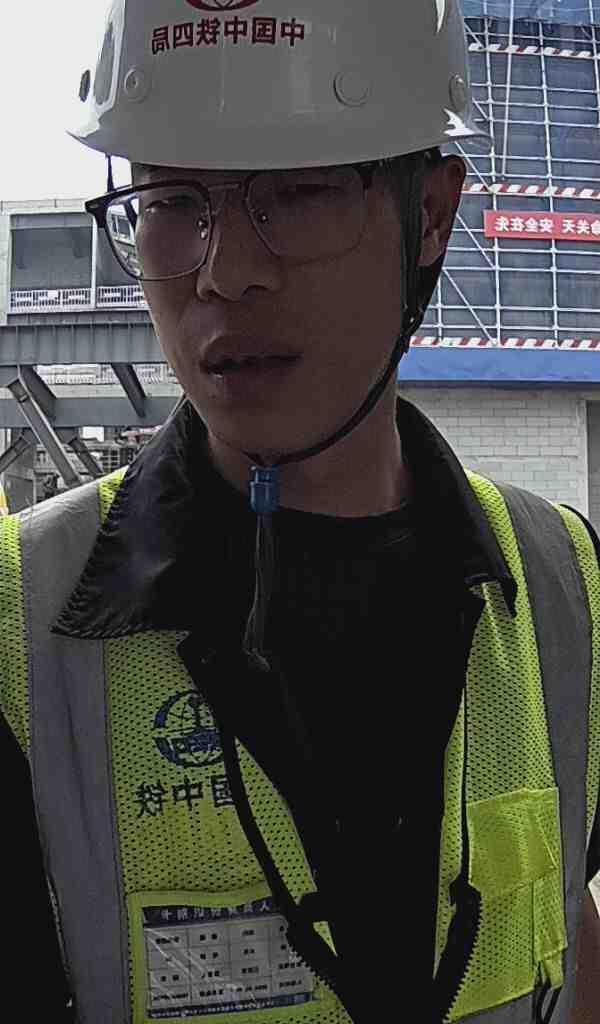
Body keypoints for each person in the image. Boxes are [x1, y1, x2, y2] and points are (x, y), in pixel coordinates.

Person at [1, 0, 599, 1021]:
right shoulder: (20, 630)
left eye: (301, 192)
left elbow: (568, 928)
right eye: (176, 200)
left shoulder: (562, 585)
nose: (227, 273)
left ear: (433, 213)